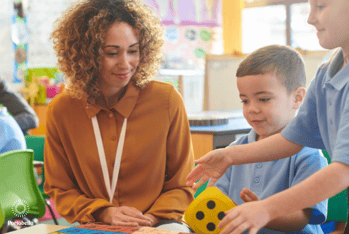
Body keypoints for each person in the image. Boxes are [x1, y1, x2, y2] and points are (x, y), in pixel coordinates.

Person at [186, 0, 349, 233]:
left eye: (321, 6)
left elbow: (343, 170)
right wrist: (230, 155)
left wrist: (266, 209)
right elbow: (293, 139)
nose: (310, 18)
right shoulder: (326, 73)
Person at [43, 0, 194, 232]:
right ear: (85, 55)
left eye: (133, 51)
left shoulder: (166, 101)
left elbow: (183, 183)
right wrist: (105, 212)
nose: (125, 64)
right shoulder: (61, 110)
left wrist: (149, 221)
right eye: (112, 53)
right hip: (95, 225)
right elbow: (60, 189)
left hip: (160, 224)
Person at [213, 45, 328, 234]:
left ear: (297, 98)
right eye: (245, 100)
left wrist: (262, 212)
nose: (252, 109)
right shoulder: (235, 151)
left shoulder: (308, 155)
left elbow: (300, 219)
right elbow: (217, 204)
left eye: (264, 99)